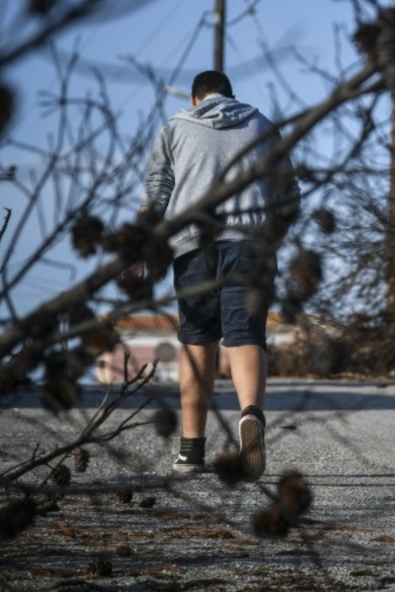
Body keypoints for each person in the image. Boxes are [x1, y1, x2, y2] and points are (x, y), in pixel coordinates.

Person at [128, 70, 297, 480]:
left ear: (193, 99)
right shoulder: (261, 125)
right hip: (250, 245)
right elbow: (287, 193)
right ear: (232, 96)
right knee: (246, 337)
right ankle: (250, 416)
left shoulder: (176, 127)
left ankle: (190, 450)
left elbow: (157, 190)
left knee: (197, 341)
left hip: (193, 247)